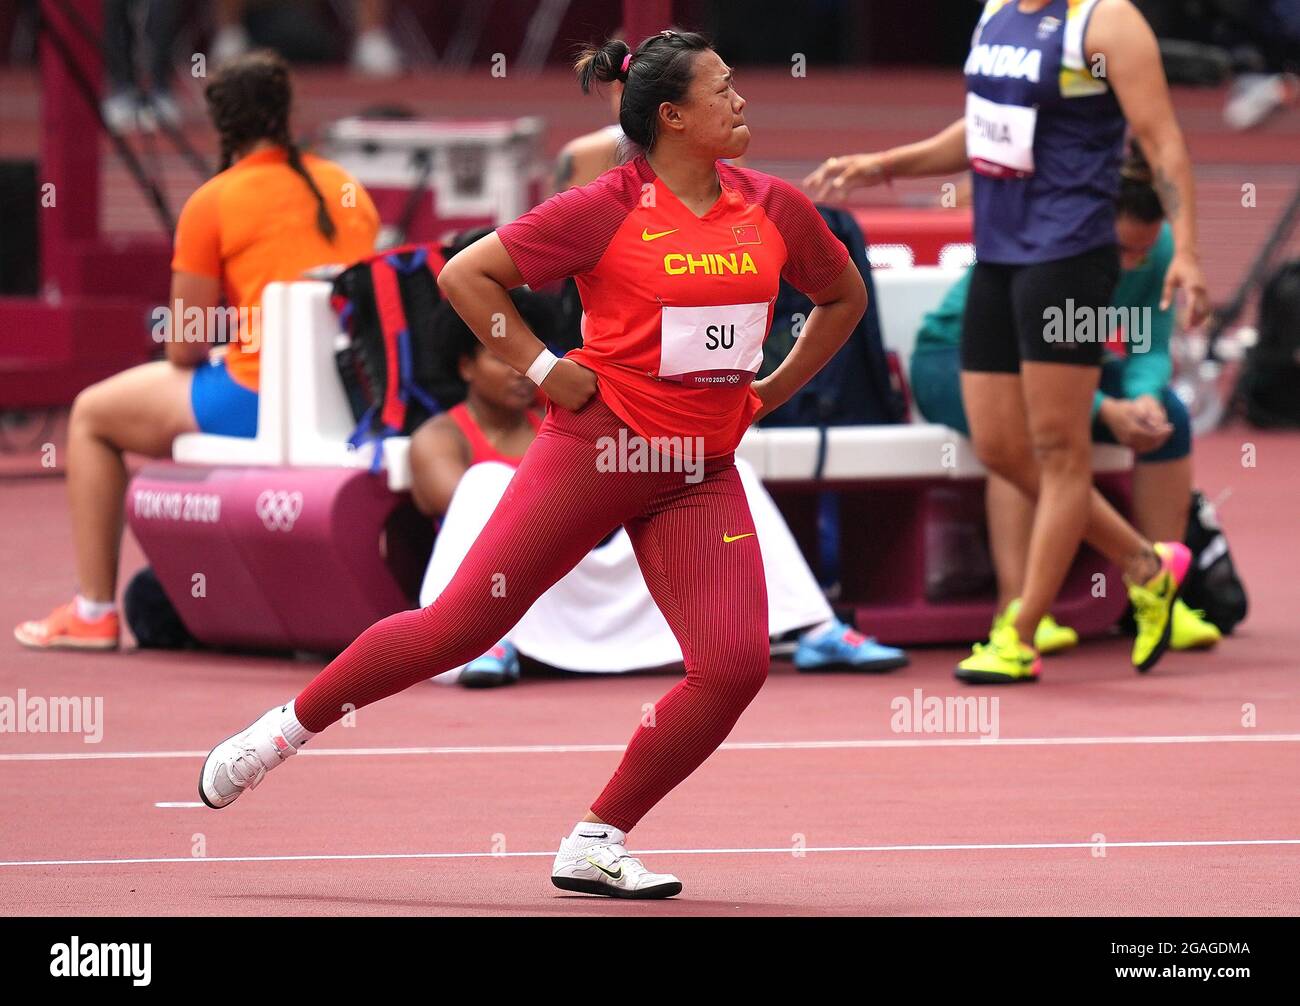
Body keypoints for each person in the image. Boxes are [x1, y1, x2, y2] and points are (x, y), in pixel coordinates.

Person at [198, 29, 867, 900]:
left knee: (735, 666)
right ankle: (280, 732)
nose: (742, 102)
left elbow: (842, 295)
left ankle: (596, 839)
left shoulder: (775, 206)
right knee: (459, 629)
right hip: (598, 450)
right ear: (672, 117)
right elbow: (465, 276)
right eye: (723, 90)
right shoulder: (605, 206)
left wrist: (770, 391)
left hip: (700, 470)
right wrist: (549, 369)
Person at [806, 0, 1211, 683]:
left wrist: (1189, 249)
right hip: (997, 255)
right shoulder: (997, 11)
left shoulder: (1105, 22)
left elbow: (1162, 138)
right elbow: (986, 131)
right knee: (1000, 445)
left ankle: (1018, 632)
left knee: (1059, 451)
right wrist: (885, 164)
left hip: (1071, 254)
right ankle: (1147, 563)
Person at [15, 51, 379, 651]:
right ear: (286, 114)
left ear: (222, 126)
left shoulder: (214, 200)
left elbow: (183, 346)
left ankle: (94, 610)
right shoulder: (345, 187)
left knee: (90, 416)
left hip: (259, 397)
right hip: (349, 394)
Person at [410, 291, 906, 686]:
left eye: (525, 361)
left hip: (609, 563)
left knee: (726, 473)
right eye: (500, 360)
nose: (520, 373)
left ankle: (817, 631)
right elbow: (462, 515)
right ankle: (490, 646)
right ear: (465, 367)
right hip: (525, 584)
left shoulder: (568, 415)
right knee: (485, 481)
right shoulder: (439, 437)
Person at [910, 146, 1221, 656]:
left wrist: (1142, 399)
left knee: (1173, 417)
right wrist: (1102, 409)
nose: (1133, 264)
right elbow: (1021, 364)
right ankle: (1020, 605)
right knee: (1021, 436)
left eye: (1144, 251)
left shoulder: (1157, 249)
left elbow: (1149, 341)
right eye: (1122, 251)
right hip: (956, 358)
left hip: (1066, 369)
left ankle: (1168, 594)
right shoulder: (1054, 250)